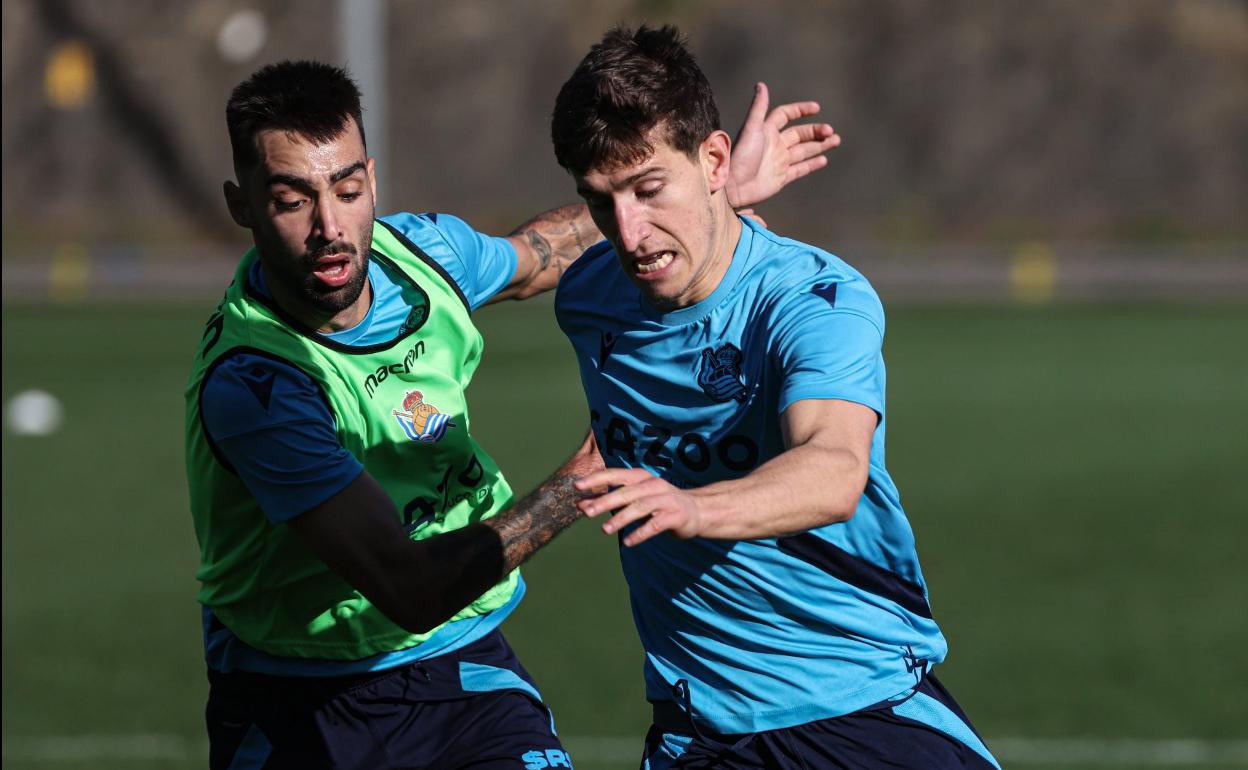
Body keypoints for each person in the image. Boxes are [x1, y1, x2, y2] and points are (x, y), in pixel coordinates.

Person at [185, 58, 839, 769]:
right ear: (241, 204)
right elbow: (410, 588)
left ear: (371, 178)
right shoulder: (257, 386)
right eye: (291, 201)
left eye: (346, 190)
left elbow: (538, 255)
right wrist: (583, 481)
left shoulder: (420, 256)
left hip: (466, 675)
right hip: (297, 700)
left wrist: (703, 199)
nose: (329, 227)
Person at [551, 26, 1000, 769]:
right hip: (700, 730)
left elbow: (833, 467)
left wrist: (698, 509)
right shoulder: (590, 299)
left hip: (862, 707)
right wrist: (706, 199)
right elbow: (505, 266)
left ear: (716, 159)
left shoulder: (813, 298)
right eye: (601, 202)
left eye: (650, 189)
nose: (629, 234)